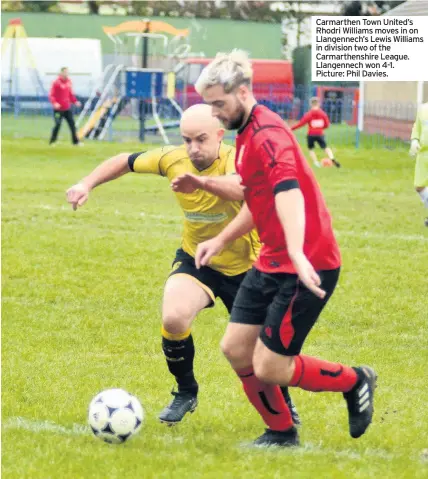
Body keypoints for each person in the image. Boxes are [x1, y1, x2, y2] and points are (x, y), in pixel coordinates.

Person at [181, 50, 377, 448]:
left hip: (309, 264)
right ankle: (281, 433)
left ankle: (355, 380)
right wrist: (220, 239)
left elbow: (288, 193)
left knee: (270, 366)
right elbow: (256, 197)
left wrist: (298, 253)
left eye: (219, 104)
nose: (215, 113)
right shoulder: (245, 133)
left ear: (243, 91)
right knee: (236, 349)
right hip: (272, 259)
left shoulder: (269, 135)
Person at [65, 104, 300, 427]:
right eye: (187, 140)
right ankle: (185, 390)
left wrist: (203, 183)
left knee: (263, 352)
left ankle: (284, 404)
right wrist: (85, 184)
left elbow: (243, 187)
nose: (193, 148)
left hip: (249, 266)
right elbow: (125, 161)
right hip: (197, 258)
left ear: (220, 134)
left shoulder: (239, 159)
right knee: (174, 318)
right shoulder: (173, 158)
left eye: (201, 139)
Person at [291, 97, 340, 168]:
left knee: (311, 149)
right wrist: (321, 128)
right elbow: (327, 124)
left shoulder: (309, 114)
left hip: (311, 134)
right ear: (318, 104)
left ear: (311, 104)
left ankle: (316, 162)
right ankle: (332, 158)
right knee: (325, 147)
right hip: (320, 134)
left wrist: (291, 129)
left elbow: (301, 124)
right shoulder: (323, 114)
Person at [49, 67, 82, 146]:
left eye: (67, 72)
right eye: (65, 72)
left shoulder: (69, 82)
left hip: (67, 108)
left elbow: (70, 94)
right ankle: (52, 141)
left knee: (72, 125)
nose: (66, 74)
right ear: (61, 73)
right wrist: (55, 103)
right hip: (58, 110)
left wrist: (75, 101)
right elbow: (51, 95)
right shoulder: (56, 82)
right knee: (57, 124)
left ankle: (76, 142)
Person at [409, 101, 428, 227]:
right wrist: (414, 141)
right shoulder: (423, 109)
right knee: (419, 186)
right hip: (423, 154)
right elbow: (417, 128)